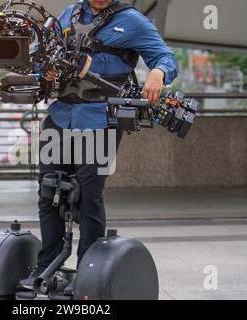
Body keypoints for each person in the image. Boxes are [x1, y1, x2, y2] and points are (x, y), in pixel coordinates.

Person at [19, 0, 178, 290]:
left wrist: (158, 73)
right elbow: (47, 56)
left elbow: (166, 57)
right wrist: (47, 71)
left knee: (88, 197)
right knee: (48, 192)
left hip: (99, 120)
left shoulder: (133, 20)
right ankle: (48, 268)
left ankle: (87, 273)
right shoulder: (70, 13)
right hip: (60, 116)